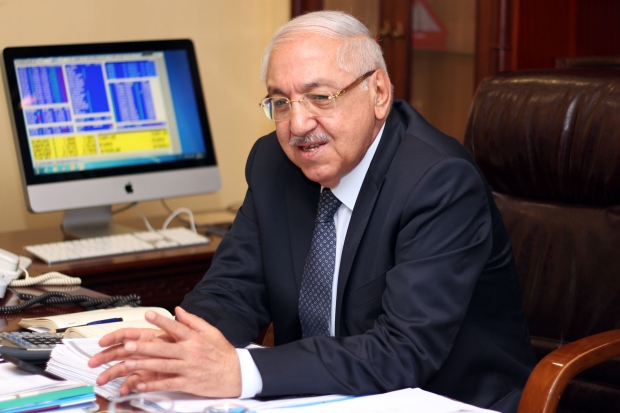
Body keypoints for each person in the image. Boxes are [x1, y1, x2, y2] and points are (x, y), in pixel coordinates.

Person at [89, 10, 536, 413]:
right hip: (317, 397)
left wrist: (240, 372)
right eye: (281, 102)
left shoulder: (438, 181)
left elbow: (403, 350)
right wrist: (176, 348)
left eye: (320, 97)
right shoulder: (274, 162)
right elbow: (232, 290)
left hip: (441, 400)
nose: (298, 125)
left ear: (379, 93)